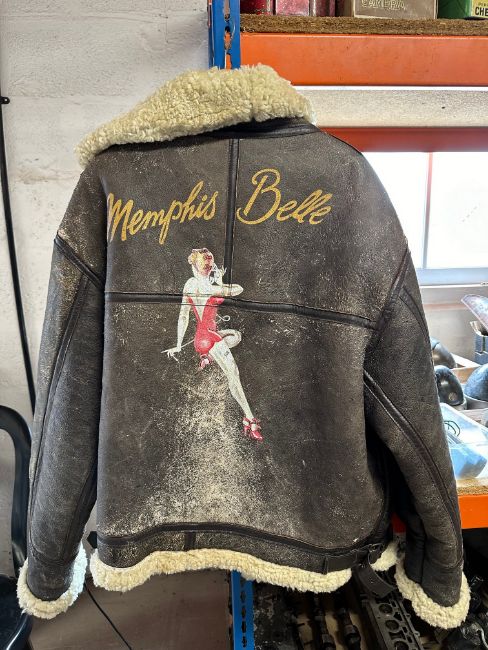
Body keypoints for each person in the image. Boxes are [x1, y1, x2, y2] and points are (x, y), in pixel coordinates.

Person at [164, 247, 263, 441]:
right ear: (197, 265)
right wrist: (219, 281)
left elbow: (183, 316)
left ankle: (207, 356)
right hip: (209, 338)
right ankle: (250, 420)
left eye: (209, 262)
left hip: (202, 337)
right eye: (207, 263)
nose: (209, 265)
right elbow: (238, 289)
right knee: (234, 376)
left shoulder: (189, 284)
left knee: (235, 336)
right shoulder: (207, 286)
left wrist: (178, 344)